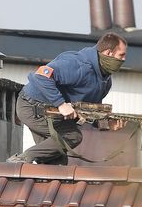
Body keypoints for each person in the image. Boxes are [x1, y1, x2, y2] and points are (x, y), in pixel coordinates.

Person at [7, 32, 127, 165]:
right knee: (73, 136)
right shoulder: (77, 64)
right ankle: (21, 160)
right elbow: (41, 75)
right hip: (32, 108)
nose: (124, 59)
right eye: (121, 55)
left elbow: (88, 112)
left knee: (57, 164)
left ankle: (28, 167)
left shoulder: (105, 81)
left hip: (53, 115)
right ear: (109, 53)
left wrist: (105, 124)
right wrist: (61, 104)